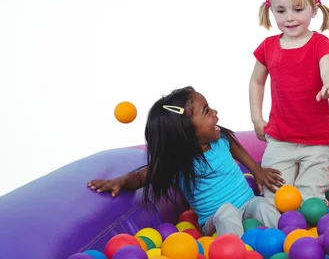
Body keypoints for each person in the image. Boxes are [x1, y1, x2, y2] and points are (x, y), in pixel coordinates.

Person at [87, 86, 284, 237]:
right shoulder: (179, 162)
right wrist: (120, 181)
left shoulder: (221, 139)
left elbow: (234, 146)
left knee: (260, 204)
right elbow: (141, 177)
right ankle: (237, 251)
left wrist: (256, 169)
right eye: (206, 112)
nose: (215, 113)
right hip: (215, 220)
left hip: (247, 203)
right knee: (227, 212)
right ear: (187, 133)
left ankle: (289, 239)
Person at [249, 0, 329, 205]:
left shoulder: (319, 43)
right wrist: (256, 118)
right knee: (275, 197)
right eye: (281, 11)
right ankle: (278, 234)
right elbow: (256, 82)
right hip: (280, 139)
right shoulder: (268, 47)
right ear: (272, 12)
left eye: (298, 9)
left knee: (310, 198)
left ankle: (310, 235)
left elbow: (328, 67)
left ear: (313, 9)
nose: (289, 18)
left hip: (317, 141)